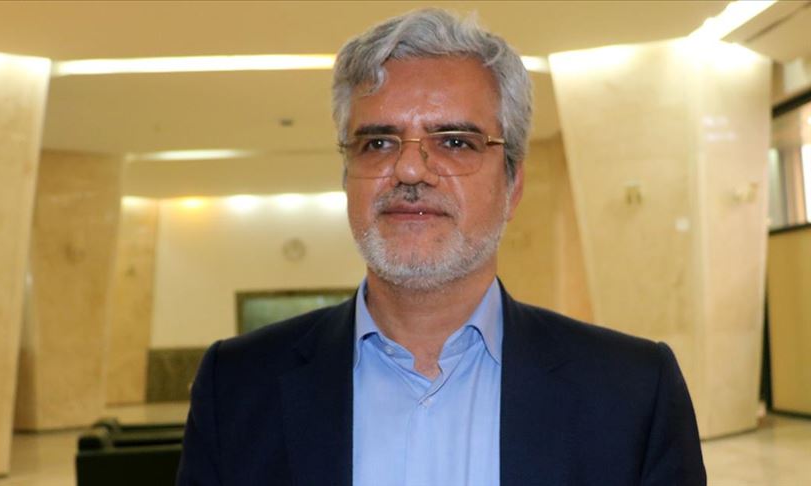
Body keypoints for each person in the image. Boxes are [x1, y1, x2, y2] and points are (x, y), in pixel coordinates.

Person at [177, 8, 706, 486]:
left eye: (455, 142)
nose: (409, 169)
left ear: (512, 186)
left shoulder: (634, 392)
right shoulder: (237, 386)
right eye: (378, 142)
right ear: (346, 178)